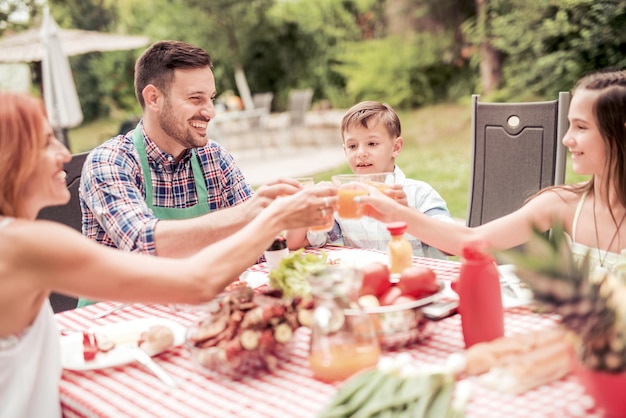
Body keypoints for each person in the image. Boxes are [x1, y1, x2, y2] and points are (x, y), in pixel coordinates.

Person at [0, 91, 336, 417]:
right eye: (46, 142)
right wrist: (270, 216)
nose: (64, 152)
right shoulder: (27, 245)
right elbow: (196, 281)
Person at [356, 70, 626, 273]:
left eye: (581, 127)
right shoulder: (561, 204)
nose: (566, 139)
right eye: (569, 126)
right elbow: (471, 240)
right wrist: (394, 212)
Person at [80, 40, 290, 258]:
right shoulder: (110, 161)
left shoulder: (213, 157)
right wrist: (246, 214)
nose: (210, 112)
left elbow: (262, 241)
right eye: (195, 99)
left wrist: (309, 214)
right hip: (127, 293)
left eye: (211, 99)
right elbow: (141, 243)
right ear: (154, 99)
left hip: (199, 291)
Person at [287, 101, 453, 259]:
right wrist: (308, 206)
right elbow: (295, 242)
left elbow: (451, 245)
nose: (361, 153)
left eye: (372, 143)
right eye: (353, 146)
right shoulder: (343, 201)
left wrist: (407, 213)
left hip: (416, 283)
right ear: (345, 151)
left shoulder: (419, 194)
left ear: (396, 147)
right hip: (368, 284)